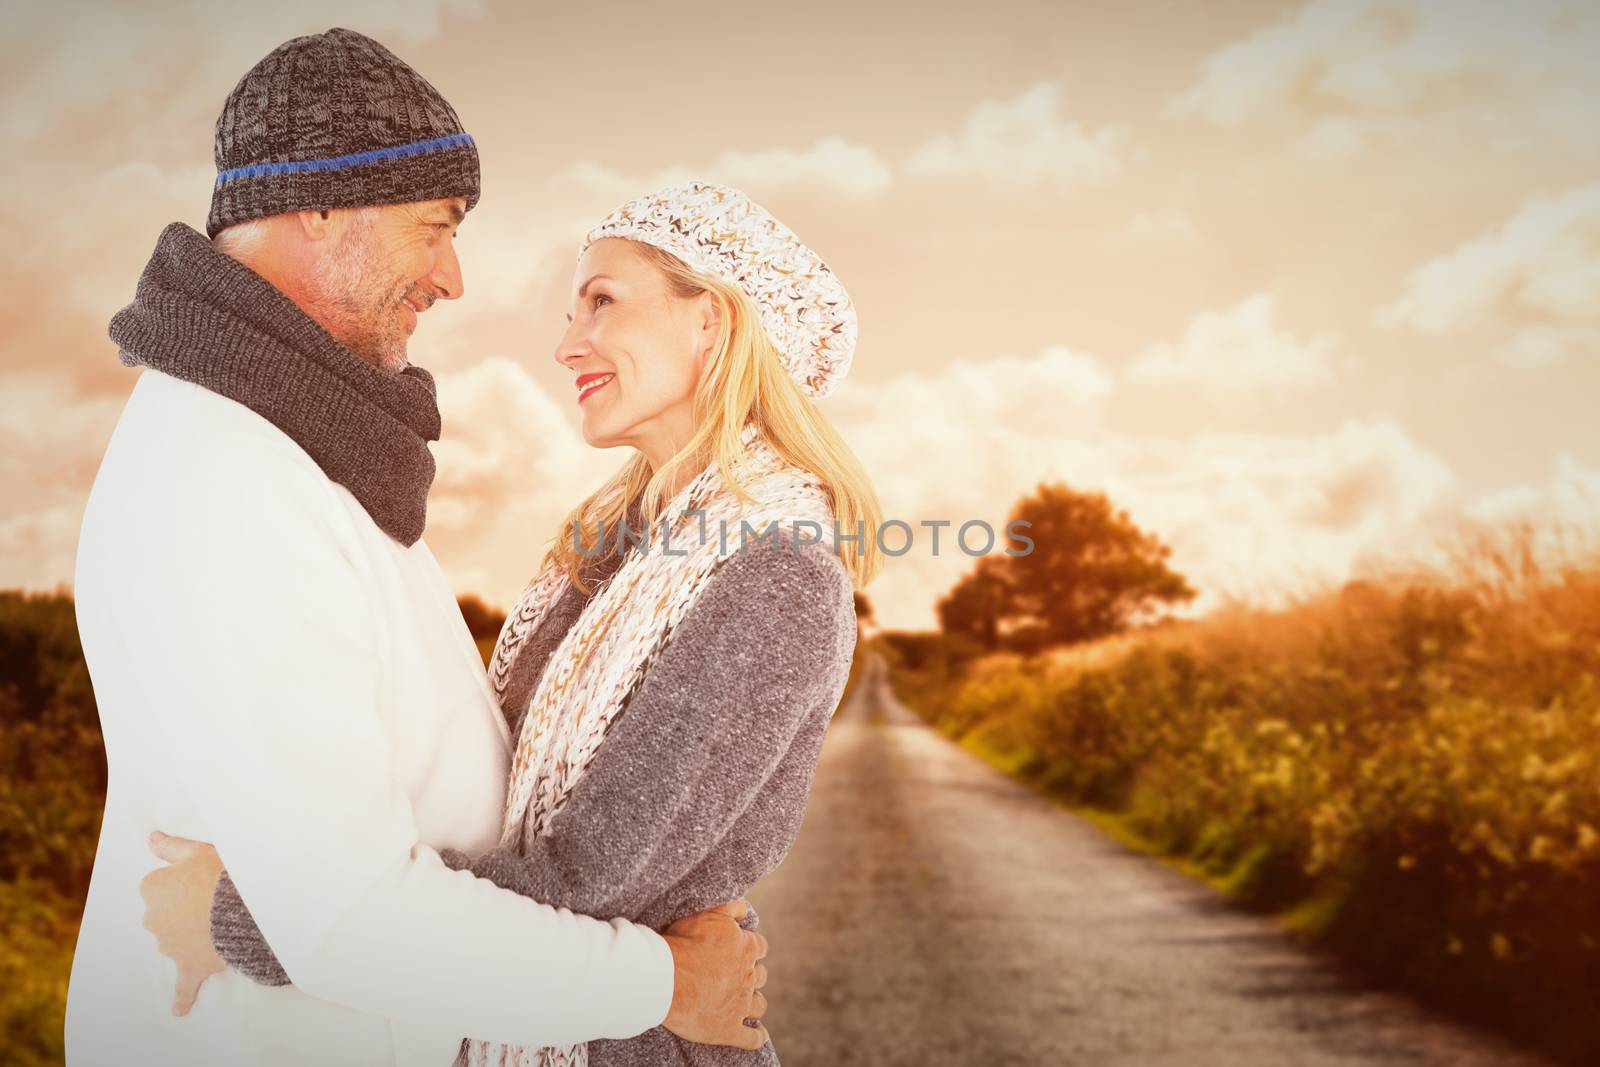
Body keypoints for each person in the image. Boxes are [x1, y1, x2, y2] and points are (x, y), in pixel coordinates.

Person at [67, 29, 766, 1067]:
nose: (454, 277)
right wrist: (662, 981)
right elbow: (348, 919)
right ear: (321, 204)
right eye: (434, 226)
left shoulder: (295, 448)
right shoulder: (238, 483)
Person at [141, 180, 884, 1066]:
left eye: (602, 303)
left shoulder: (775, 577)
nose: (569, 345)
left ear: (713, 323)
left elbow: (583, 882)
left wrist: (238, 914)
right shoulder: (611, 552)